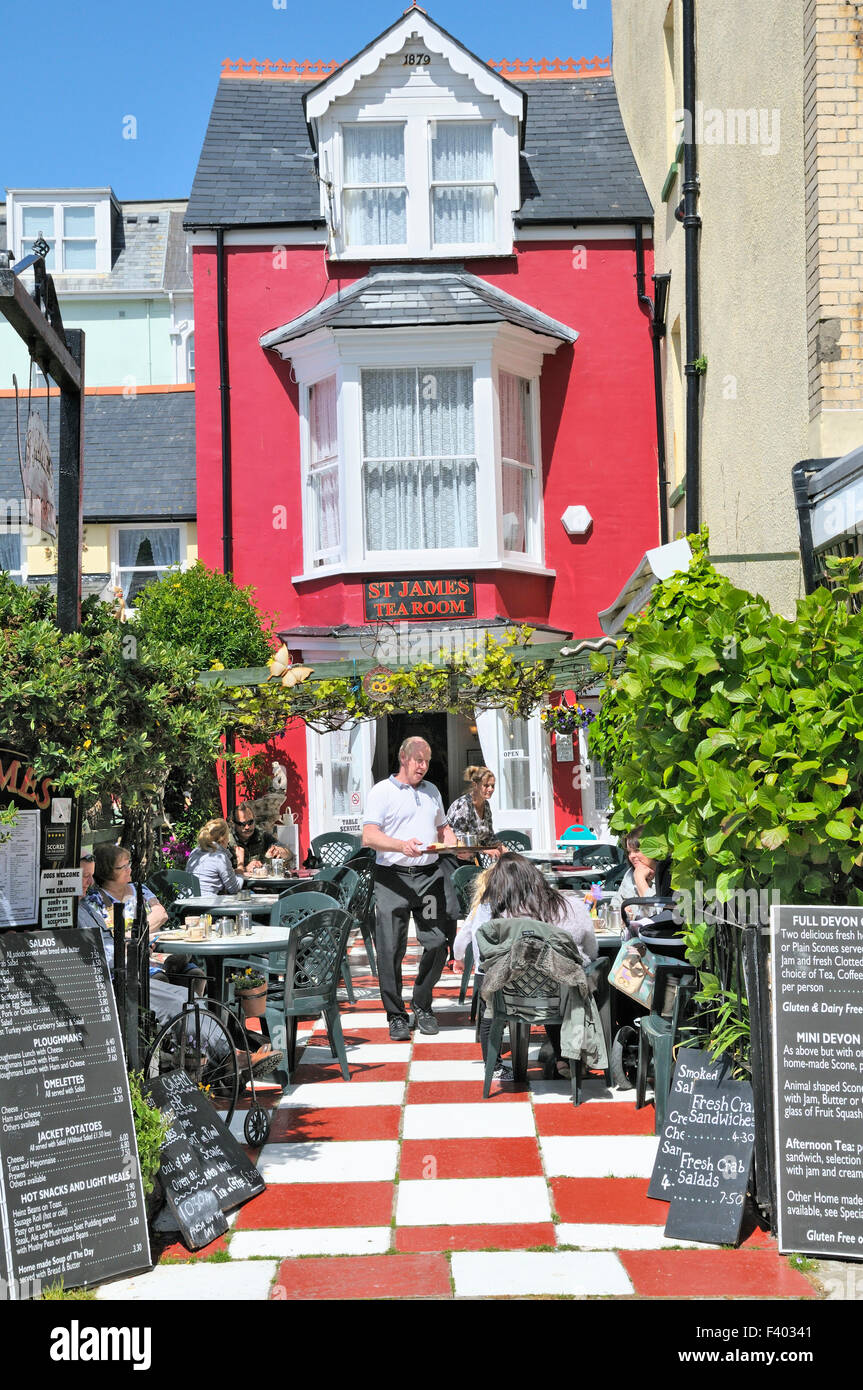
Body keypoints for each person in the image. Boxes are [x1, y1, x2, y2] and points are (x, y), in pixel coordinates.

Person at [79, 847, 281, 1082]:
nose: (90, 881)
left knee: (192, 998)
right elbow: (100, 954)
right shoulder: (84, 907)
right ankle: (230, 1059)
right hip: (118, 982)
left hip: (132, 970)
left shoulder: (88, 906)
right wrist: (131, 946)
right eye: (85, 877)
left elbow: (155, 917)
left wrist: (130, 945)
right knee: (184, 1003)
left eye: (91, 875)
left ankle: (225, 1059)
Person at [455, 852, 597, 1079]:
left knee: (497, 998)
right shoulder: (571, 906)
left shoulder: (497, 916)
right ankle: (570, 1057)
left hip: (513, 1001)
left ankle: (494, 1066)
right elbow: (590, 950)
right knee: (576, 976)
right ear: (536, 876)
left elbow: (484, 955)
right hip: (563, 1000)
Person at [362, 736, 460, 1040]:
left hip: (429, 877)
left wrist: (455, 844)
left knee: (435, 942)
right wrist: (401, 845)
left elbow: (443, 827)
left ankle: (421, 1003)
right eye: (419, 759)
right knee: (390, 948)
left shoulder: (432, 791)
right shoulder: (382, 791)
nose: (424, 766)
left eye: (428, 760)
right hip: (392, 879)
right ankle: (395, 1015)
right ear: (404, 758)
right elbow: (369, 836)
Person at [611, 828, 659, 930]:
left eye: (637, 850)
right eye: (629, 852)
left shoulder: (666, 877)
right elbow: (615, 902)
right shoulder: (630, 874)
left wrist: (639, 879)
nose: (632, 856)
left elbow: (656, 914)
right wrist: (622, 911)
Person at [446, 765, 501, 850]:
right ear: (475, 785)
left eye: (492, 786)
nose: (491, 789)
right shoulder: (463, 805)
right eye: (486, 785)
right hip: (456, 857)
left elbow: (489, 837)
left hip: (475, 856)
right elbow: (458, 838)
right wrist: (484, 851)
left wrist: (501, 847)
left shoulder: (486, 805)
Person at [187, 818, 243, 895]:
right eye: (228, 837)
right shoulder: (219, 857)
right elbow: (234, 889)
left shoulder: (194, 851)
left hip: (187, 902)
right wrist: (240, 866)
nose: (229, 841)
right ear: (223, 839)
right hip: (205, 903)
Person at [230, 803, 290, 871]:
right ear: (233, 824)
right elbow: (222, 873)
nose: (247, 827)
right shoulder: (227, 841)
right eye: (242, 824)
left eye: (250, 822)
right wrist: (245, 869)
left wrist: (282, 851)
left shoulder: (262, 835)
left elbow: (288, 853)